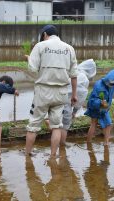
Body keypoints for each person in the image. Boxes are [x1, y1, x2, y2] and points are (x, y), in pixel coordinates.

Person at [25, 24, 78, 157]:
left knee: (33, 125)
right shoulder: (69, 48)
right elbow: (74, 74)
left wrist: (29, 59)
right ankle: (53, 156)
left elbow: (32, 69)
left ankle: (27, 155)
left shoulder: (40, 46)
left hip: (43, 91)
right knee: (56, 126)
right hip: (61, 93)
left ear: (44, 35)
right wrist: (74, 95)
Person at [45, 59, 96, 145]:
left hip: (56, 97)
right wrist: (74, 112)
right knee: (65, 126)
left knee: (57, 118)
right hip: (66, 102)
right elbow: (80, 97)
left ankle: (50, 122)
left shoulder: (73, 71)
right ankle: (62, 144)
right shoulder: (84, 79)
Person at [85, 69, 114, 145]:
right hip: (95, 107)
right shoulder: (98, 86)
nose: (113, 86)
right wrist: (100, 102)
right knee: (94, 123)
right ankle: (88, 142)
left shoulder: (112, 85)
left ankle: (106, 143)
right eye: (112, 84)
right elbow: (92, 100)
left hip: (104, 108)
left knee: (108, 124)